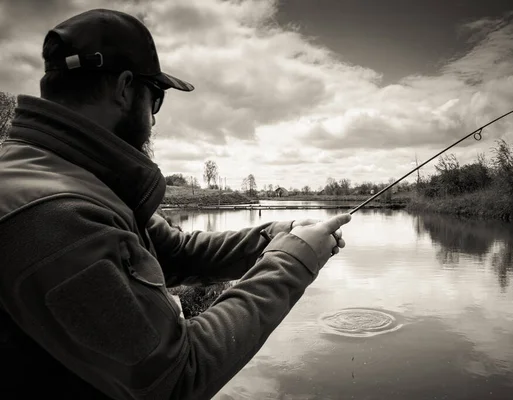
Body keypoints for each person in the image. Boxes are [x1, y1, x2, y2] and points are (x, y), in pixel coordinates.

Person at [0, 9, 351, 400]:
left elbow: (174, 253)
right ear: (125, 88)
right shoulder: (54, 214)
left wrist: (271, 237)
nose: (153, 119)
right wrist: (295, 262)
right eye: (156, 98)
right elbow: (175, 378)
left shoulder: (69, 178)